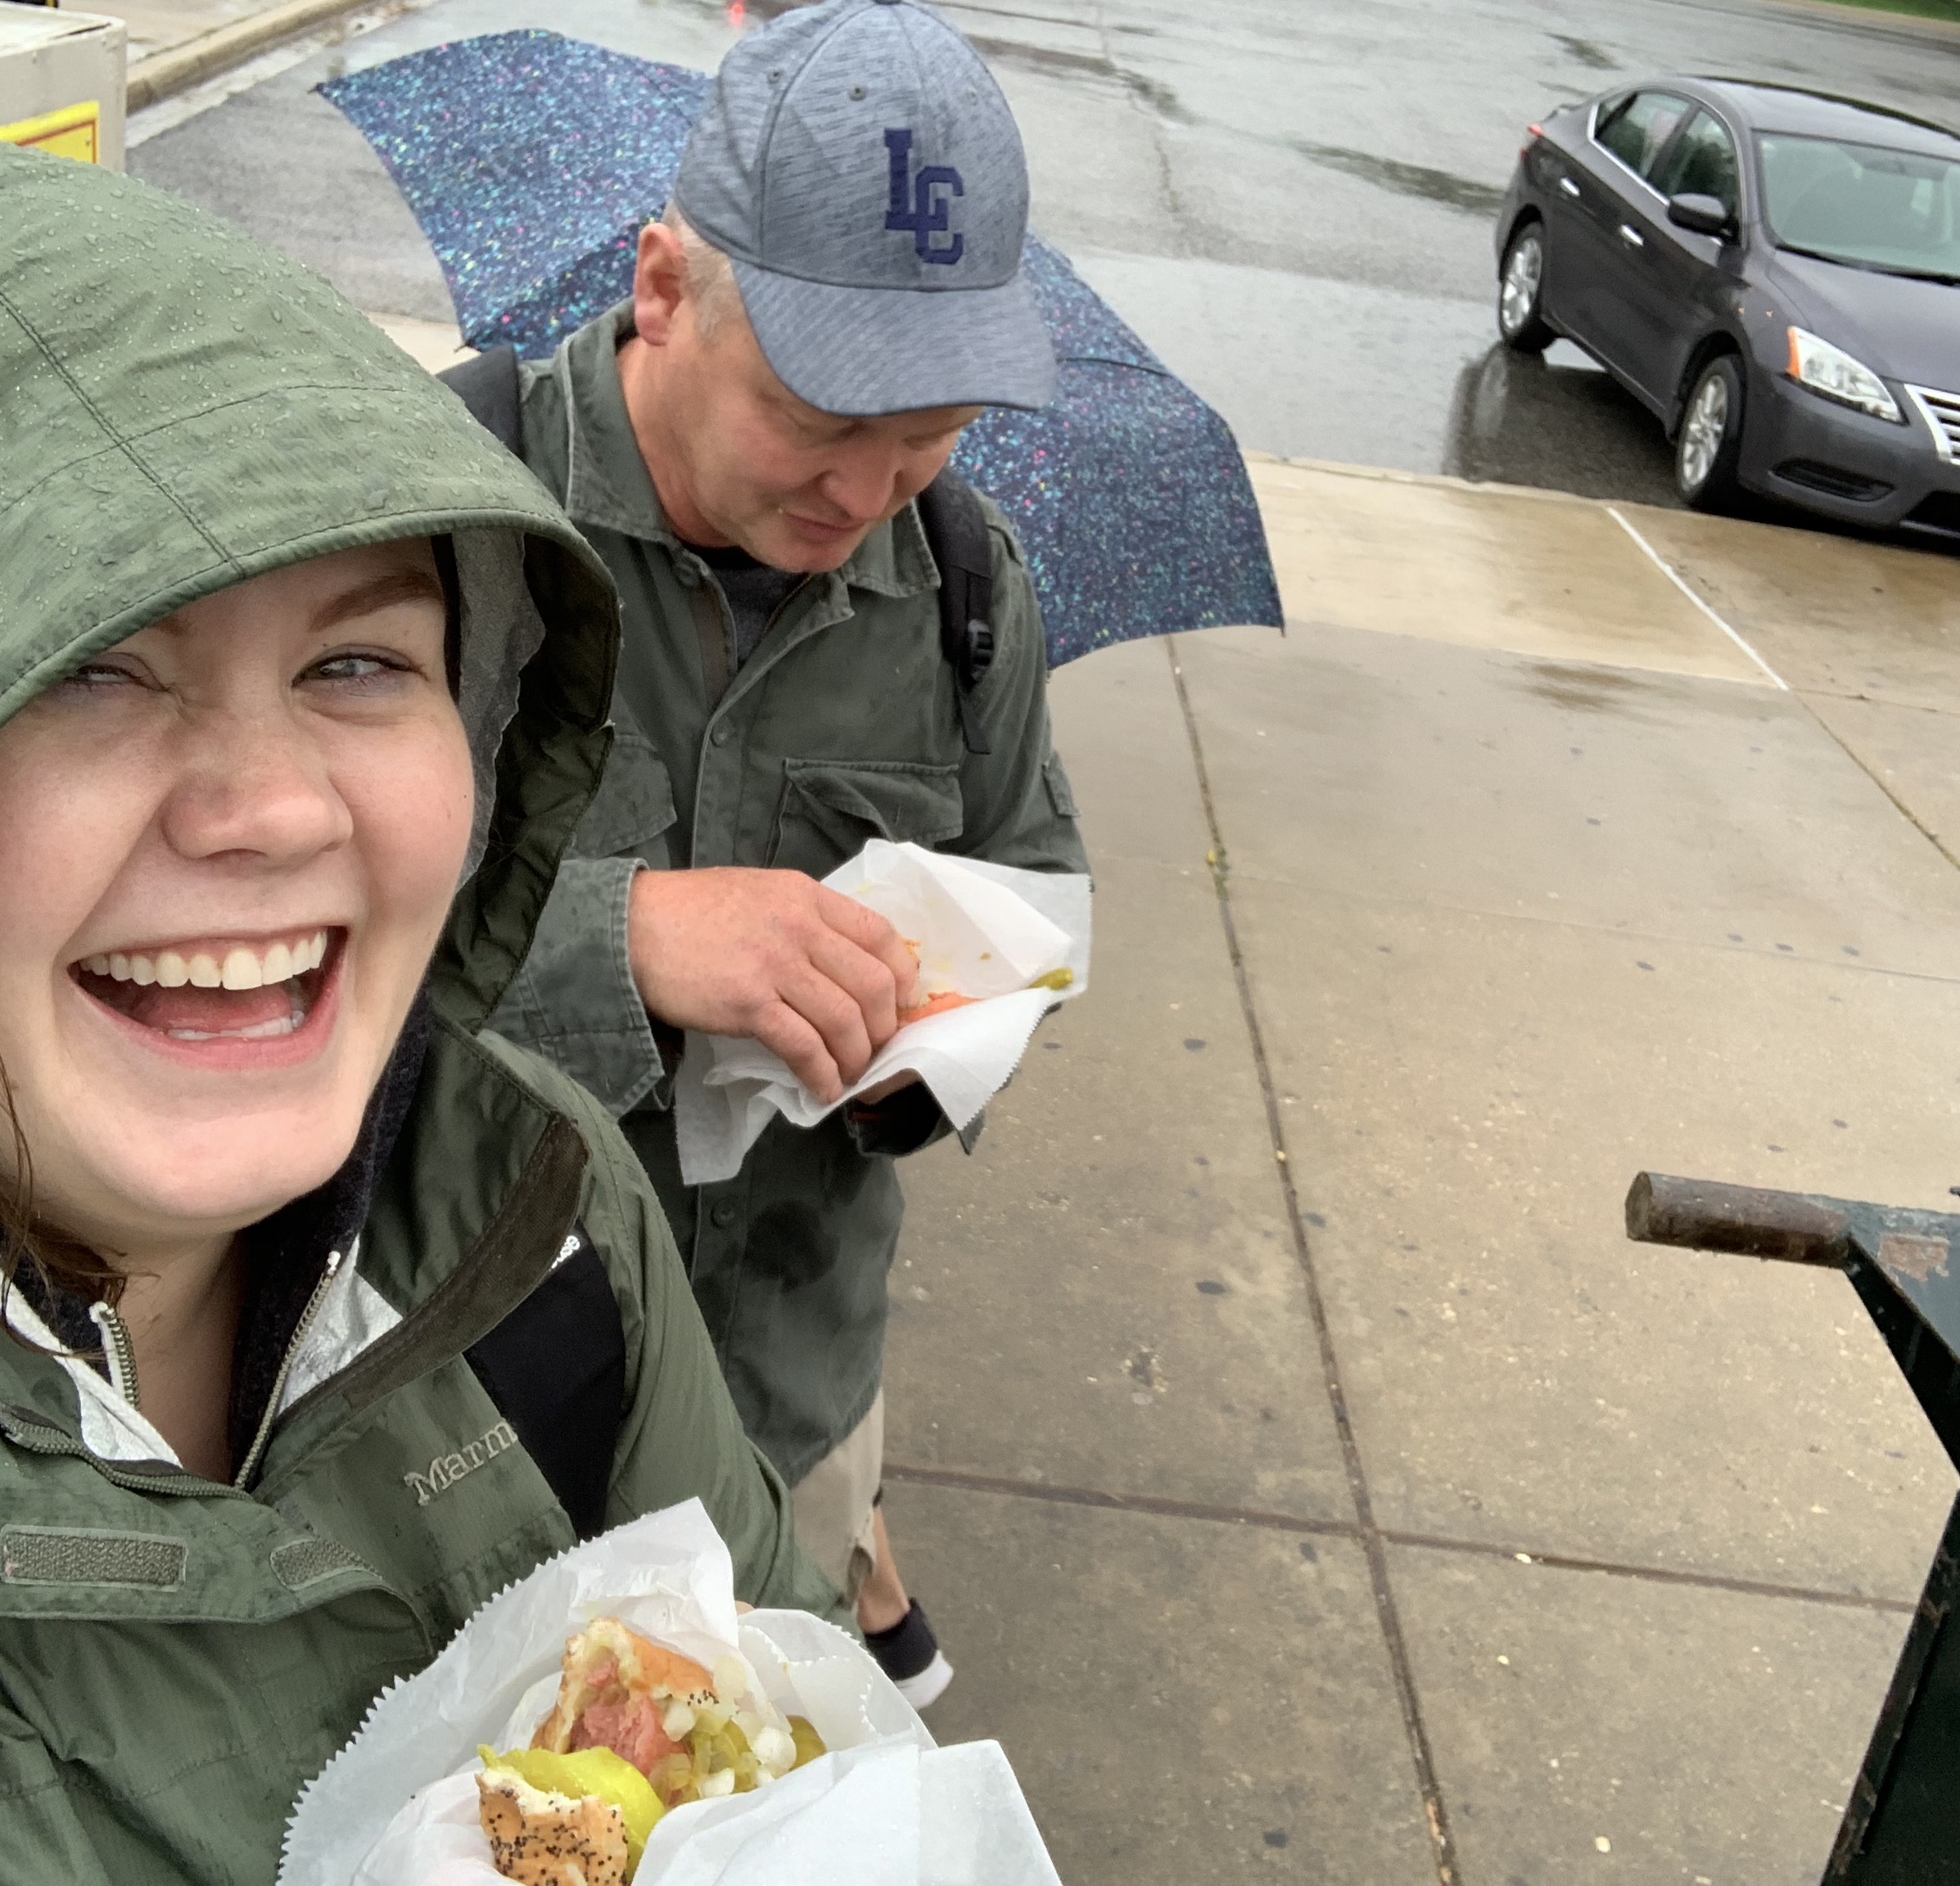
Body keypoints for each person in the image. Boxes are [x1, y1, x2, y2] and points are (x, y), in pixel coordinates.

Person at [0, 133, 840, 1884]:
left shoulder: (537, 1221)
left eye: (357, 662)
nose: (274, 809)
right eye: (87, 667)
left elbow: (809, 1744)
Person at [485, 0, 1085, 1706]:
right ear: (664, 289)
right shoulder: (450, 527)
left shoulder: (966, 584)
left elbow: (1031, 879)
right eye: (821, 412)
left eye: (934, 425)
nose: (868, 486)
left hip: (789, 1397)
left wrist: (927, 1055)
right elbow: (271, 945)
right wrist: (621, 942)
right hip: (466, 1410)